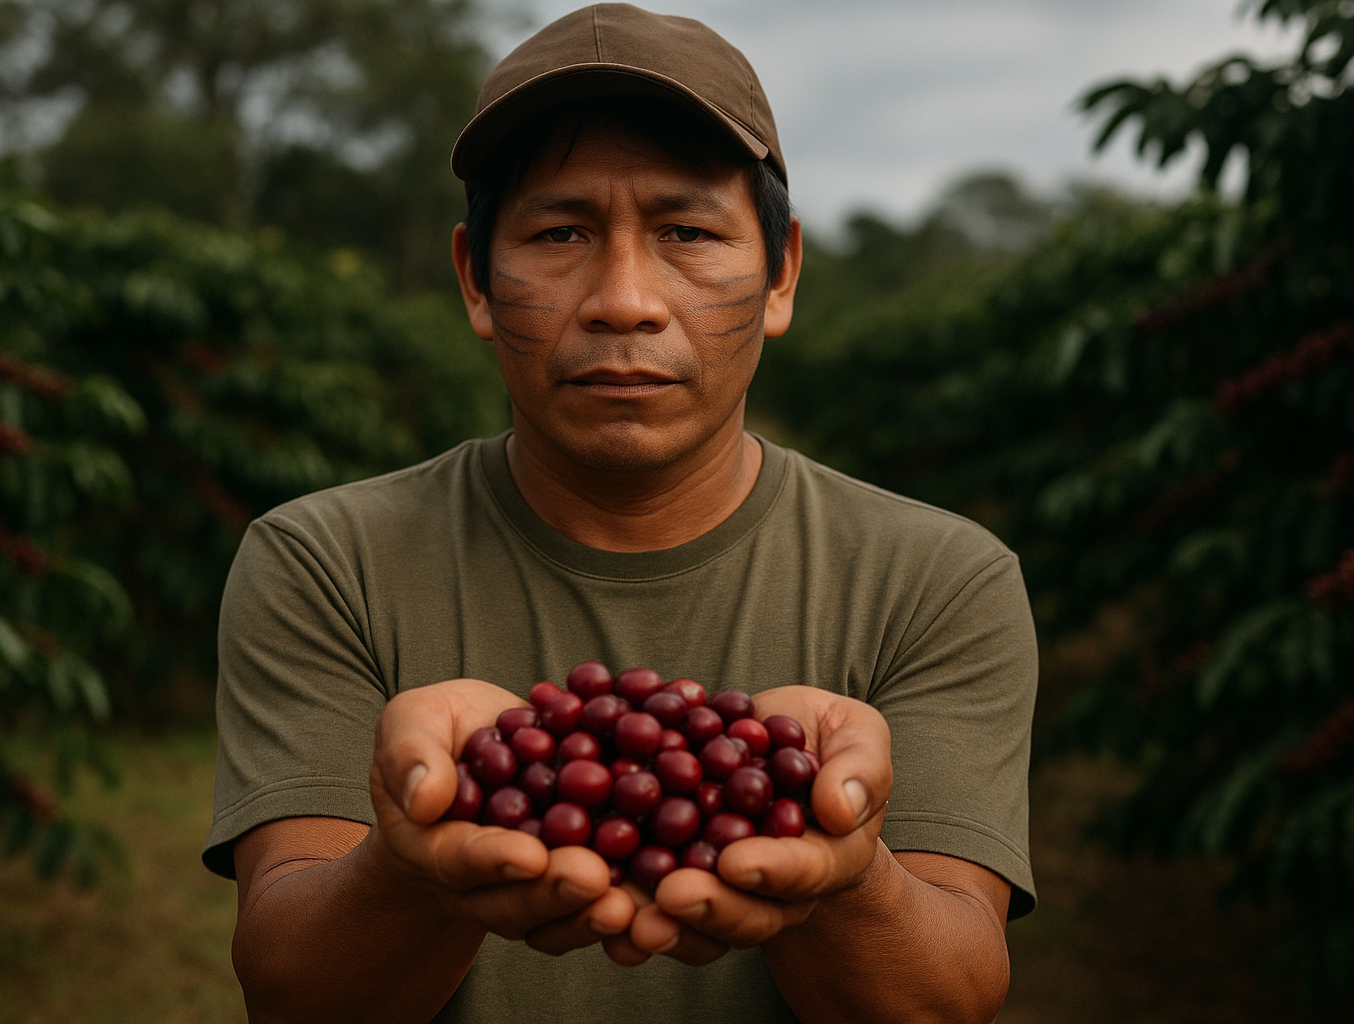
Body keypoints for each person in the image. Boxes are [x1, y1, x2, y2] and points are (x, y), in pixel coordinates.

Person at [203, 4, 1038, 1022]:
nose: (625, 299)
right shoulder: (324, 562)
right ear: (475, 280)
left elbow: (948, 997)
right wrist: (410, 861)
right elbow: (294, 991)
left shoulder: (939, 579)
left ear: (780, 276)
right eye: (560, 233)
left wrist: (845, 866)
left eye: (688, 232)